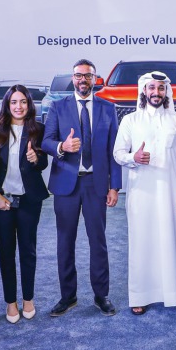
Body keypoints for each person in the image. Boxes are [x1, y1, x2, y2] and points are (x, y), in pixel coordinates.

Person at [42, 59, 122, 317]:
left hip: (96, 184)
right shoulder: (57, 107)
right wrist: (62, 148)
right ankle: (68, 296)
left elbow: (114, 151)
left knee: (98, 242)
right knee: (65, 241)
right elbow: (46, 141)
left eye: (88, 76)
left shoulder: (108, 109)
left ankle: (102, 295)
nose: (82, 80)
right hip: (66, 183)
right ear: (73, 78)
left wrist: (115, 187)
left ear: (95, 79)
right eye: (78, 76)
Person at [114, 71, 176, 314]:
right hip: (141, 193)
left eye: (160, 89)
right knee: (143, 242)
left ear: (166, 92)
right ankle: (140, 295)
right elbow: (118, 153)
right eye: (151, 88)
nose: (156, 93)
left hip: (172, 193)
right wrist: (134, 157)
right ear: (143, 91)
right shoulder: (130, 121)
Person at [0, 84, 49, 324]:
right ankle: (11, 302)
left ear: (29, 105)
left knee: (28, 251)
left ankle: (28, 299)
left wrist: (36, 158)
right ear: (7, 105)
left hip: (29, 199)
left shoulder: (38, 129)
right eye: (14, 102)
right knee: (6, 252)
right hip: (2, 201)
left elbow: (43, 163)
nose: (18, 106)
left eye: (23, 102)